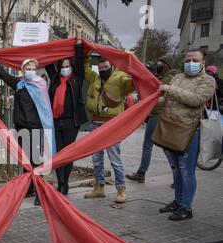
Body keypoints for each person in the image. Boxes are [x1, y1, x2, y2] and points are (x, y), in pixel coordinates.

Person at [0, 53, 56, 206]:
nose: (31, 71)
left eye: (34, 68)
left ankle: (40, 192)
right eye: (28, 68)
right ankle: (29, 188)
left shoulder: (40, 84)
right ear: (22, 70)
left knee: (36, 162)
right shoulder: (19, 84)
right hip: (21, 127)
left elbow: (45, 109)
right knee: (25, 161)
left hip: (35, 128)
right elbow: (3, 74)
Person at [156, 48, 215, 221]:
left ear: (203, 62)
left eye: (195, 60)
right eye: (188, 59)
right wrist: (148, 101)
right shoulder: (178, 77)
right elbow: (166, 99)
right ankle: (178, 201)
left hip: (189, 130)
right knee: (176, 169)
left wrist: (170, 89)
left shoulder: (208, 80)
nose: (190, 63)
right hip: (170, 127)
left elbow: (196, 99)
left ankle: (186, 208)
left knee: (186, 170)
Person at [83, 55, 134, 203]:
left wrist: (132, 69)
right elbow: (84, 69)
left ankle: (121, 189)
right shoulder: (95, 78)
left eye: (106, 67)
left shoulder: (120, 79)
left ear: (112, 66)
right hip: (95, 123)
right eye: (100, 68)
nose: (103, 70)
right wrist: (85, 53)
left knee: (115, 159)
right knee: (96, 159)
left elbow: (132, 83)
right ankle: (99, 187)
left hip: (111, 125)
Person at [45, 23, 87, 195]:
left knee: (67, 153)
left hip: (71, 122)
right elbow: (48, 60)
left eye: (67, 66)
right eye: (62, 66)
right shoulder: (54, 79)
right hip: (55, 121)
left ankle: (65, 184)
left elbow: (79, 57)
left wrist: (78, 36)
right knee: (57, 153)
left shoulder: (77, 78)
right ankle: (60, 182)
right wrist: (50, 39)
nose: (64, 68)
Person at [126, 56, 179, 183]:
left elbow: (159, 93)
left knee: (151, 145)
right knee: (165, 146)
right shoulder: (171, 77)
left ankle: (142, 172)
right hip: (160, 114)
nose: (158, 66)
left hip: (158, 114)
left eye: (160, 64)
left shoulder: (169, 78)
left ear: (166, 65)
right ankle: (177, 175)